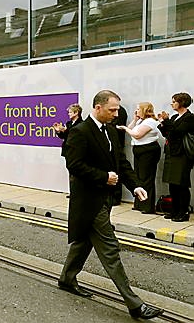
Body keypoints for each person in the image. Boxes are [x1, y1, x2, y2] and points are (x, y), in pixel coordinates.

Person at [59, 90, 163, 320]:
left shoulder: (111, 132)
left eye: (117, 109)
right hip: (89, 202)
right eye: (112, 110)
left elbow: (121, 162)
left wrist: (135, 185)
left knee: (84, 243)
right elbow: (74, 165)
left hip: (105, 200)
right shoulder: (80, 132)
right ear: (98, 108)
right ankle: (134, 304)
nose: (117, 114)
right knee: (110, 249)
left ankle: (66, 278)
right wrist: (103, 176)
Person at [117, 102, 161, 214]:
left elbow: (137, 135)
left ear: (144, 110)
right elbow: (131, 128)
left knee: (147, 178)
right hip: (138, 150)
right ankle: (139, 203)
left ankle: (147, 206)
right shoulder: (141, 121)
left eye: (138, 109)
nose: (136, 111)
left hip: (148, 150)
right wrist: (135, 120)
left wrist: (124, 128)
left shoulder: (151, 121)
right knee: (138, 177)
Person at [158, 92, 194, 222]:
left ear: (182, 102)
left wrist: (167, 122)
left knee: (181, 184)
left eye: (174, 101)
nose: (171, 103)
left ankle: (183, 212)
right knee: (172, 184)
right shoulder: (174, 118)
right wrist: (163, 123)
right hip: (171, 154)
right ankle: (174, 210)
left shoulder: (190, 118)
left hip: (182, 155)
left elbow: (178, 132)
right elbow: (168, 134)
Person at [109, 105, 128, 205]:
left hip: (117, 144)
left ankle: (116, 197)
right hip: (114, 144)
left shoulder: (120, 112)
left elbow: (116, 126)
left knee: (117, 170)